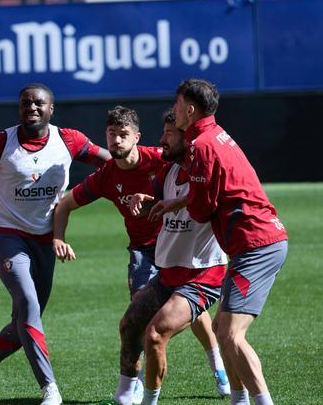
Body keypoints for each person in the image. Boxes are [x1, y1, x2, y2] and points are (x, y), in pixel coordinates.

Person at [52, 106, 227, 405]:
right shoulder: (106, 176)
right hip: (144, 252)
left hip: (176, 245)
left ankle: (219, 368)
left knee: (189, 314)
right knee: (139, 318)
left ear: (137, 137)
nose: (116, 141)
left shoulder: (160, 158)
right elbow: (65, 204)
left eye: (123, 135)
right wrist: (58, 237)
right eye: (111, 134)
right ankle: (131, 388)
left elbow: (200, 183)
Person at [0, 84, 110, 405]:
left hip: (46, 240)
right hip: (6, 237)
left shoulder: (68, 140)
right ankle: (49, 387)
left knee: (25, 322)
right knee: (28, 304)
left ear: (52, 109)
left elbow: (110, 164)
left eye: (39, 103)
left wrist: (133, 182)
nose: (32, 108)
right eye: (26, 102)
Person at [172, 79, 288, 405]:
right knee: (223, 328)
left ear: (190, 109)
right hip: (255, 241)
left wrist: (185, 195)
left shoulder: (200, 145)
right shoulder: (215, 135)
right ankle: (239, 400)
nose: (174, 109)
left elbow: (200, 209)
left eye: (178, 104)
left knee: (231, 335)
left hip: (256, 244)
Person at [113, 109, 230, 405]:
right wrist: (146, 197)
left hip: (202, 275)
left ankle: (153, 399)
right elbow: (160, 196)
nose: (162, 140)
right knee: (129, 325)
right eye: (163, 133)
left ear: (187, 137)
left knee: (155, 335)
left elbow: (205, 203)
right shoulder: (168, 170)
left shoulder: (205, 168)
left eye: (169, 134)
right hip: (169, 273)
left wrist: (177, 203)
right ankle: (125, 394)